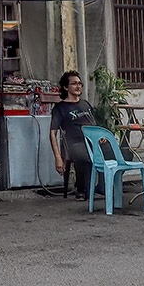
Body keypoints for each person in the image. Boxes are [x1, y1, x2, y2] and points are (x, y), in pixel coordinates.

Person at [49, 70, 96, 199]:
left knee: (113, 153)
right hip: (74, 143)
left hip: (93, 141)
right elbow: (53, 133)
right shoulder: (60, 108)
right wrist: (58, 157)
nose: (78, 86)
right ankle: (81, 189)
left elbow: (95, 125)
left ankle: (101, 188)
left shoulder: (85, 104)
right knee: (83, 156)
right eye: (74, 83)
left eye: (80, 83)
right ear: (66, 87)